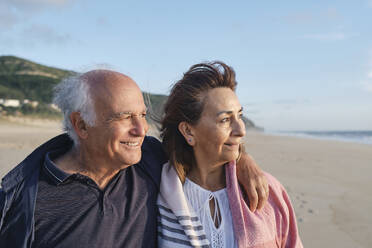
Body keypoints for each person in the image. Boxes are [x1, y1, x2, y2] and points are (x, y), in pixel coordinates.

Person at [0, 69, 268, 248]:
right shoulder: (24, 199)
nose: (141, 130)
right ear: (81, 125)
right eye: (125, 117)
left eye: (142, 115)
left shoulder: (148, 159)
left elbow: (202, 145)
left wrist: (242, 160)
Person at [157, 62, 303, 247]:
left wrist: (242, 157)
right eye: (225, 119)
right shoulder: (157, 191)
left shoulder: (267, 190)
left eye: (239, 116)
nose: (241, 130)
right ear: (188, 131)